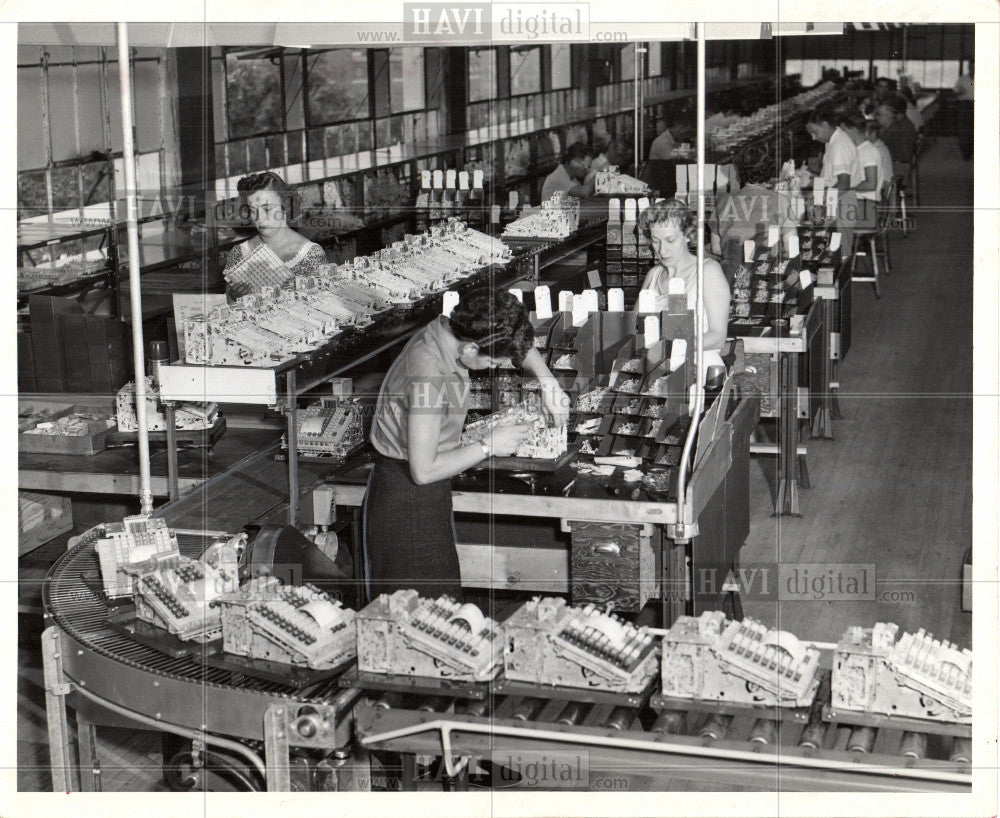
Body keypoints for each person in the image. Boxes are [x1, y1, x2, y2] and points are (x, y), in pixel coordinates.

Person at [364, 291, 569, 602]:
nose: (500, 367)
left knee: (441, 610)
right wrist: (490, 444)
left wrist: (547, 381)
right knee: (421, 618)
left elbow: (508, 338)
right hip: (406, 500)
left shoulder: (452, 329)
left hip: (428, 490)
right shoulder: (428, 378)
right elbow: (423, 470)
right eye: (494, 362)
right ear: (473, 347)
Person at [638, 200, 730, 376]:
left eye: (670, 240)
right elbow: (636, 327)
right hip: (657, 371)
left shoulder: (707, 271)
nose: (662, 250)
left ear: (688, 235)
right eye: (656, 241)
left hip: (701, 370)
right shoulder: (653, 275)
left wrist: (668, 347)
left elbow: (718, 337)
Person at [224, 172, 327, 301]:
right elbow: (228, 306)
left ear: (286, 206)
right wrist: (235, 297)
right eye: (253, 211)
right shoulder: (239, 253)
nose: (259, 218)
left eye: (267, 209)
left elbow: (321, 304)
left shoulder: (310, 254)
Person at [805, 108, 860, 191]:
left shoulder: (839, 145)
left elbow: (844, 184)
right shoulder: (832, 141)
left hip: (841, 200)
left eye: (815, 132)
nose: (813, 138)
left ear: (824, 125)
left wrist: (821, 199)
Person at [875, 95, 918, 182]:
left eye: (880, 115)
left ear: (891, 113)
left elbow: (880, 146)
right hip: (901, 164)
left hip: (897, 167)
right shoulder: (904, 123)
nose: (877, 117)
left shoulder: (897, 128)